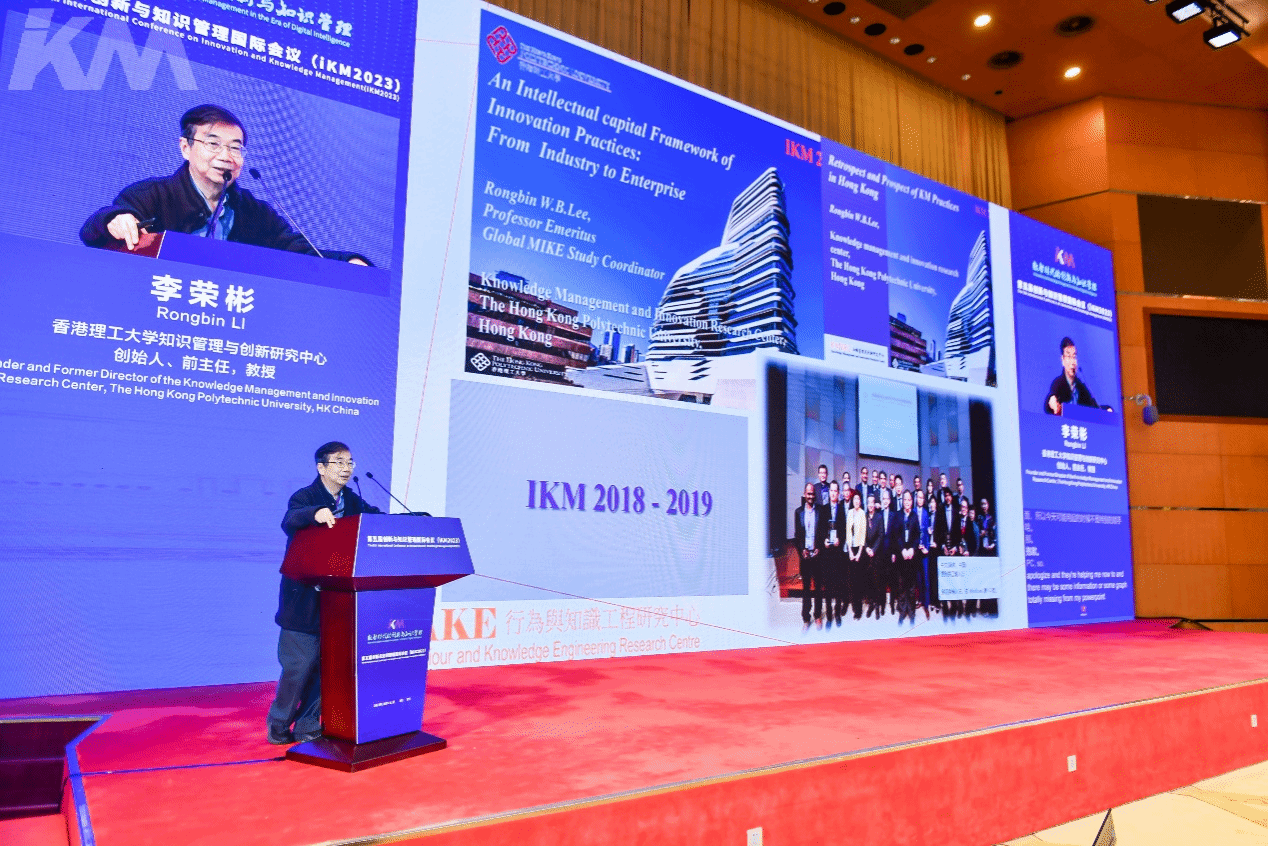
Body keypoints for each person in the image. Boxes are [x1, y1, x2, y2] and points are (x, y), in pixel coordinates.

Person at [80, 104, 367, 263]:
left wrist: (347, 262)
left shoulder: (255, 211)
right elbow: (93, 232)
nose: (226, 156)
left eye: (235, 148)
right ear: (185, 148)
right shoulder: (152, 195)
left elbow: (297, 252)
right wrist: (114, 220)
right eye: (213, 144)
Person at [267, 441, 381, 745]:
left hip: (337, 599)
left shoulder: (351, 500)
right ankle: (279, 723)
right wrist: (314, 513)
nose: (346, 468)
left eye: (350, 462)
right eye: (339, 462)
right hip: (303, 600)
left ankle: (307, 725)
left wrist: (410, 521)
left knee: (326, 669)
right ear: (321, 467)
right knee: (299, 667)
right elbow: (291, 518)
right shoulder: (305, 496)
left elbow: (374, 518)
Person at [793, 482, 828, 625]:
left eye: (813, 494)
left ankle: (817, 615)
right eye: (808, 494)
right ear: (804, 494)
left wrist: (820, 547)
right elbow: (797, 536)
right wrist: (802, 550)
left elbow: (824, 532)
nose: (811, 496)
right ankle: (806, 618)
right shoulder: (798, 512)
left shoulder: (820, 511)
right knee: (806, 588)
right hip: (805, 556)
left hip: (817, 554)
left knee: (818, 587)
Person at [1044, 337, 1099, 415]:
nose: (1073, 362)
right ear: (1062, 360)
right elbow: (1050, 399)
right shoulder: (1058, 383)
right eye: (1069, 357)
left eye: (1074, 357)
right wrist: (1052, 401)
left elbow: (1094, 407)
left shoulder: (1081, 387)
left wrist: (1107, 409)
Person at [823, 481, 848, 624]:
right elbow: (821, 529)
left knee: (838, 584)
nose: (833, 493)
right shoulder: (824, 509)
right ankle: (829, 615)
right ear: (829, 492)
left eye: (835, 491)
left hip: (838, 552)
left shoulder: (842, 510)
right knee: (828, 585)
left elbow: (844, 530)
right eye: (831, 491)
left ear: (838, 493)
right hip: (827, 553)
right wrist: (824, 541)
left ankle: (837, 613)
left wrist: (840, 539)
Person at [896, 491, 921, 623]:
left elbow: (917, 536)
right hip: (901, 556)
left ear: (912, 502)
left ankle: (911, 611)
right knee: (901, 585)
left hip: (911, 556)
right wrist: (902, 550)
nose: (907, 502)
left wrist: (912, 549)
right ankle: (902, 610)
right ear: (903, 501)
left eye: (909, 500)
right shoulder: (898, 515)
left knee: (911, 586)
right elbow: (896, 535)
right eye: (905, 500)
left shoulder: (914, 516)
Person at [845, 491, 867, 620]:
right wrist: (850, 551)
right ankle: (853, 605)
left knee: (858, 581)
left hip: (859, 549)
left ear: (860, 501)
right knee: (851, 580)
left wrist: (858, 553)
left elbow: (863, 534)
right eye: (855, 499)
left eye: (858, 499)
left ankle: (858, 609)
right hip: (851, 549)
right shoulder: (849, 513)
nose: (857, 501)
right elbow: (848, 532)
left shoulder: (862, 513)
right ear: (852, 501)